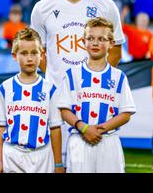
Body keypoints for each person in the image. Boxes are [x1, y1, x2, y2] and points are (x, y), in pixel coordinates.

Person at [30, 0, 125, 164]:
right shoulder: (41, 8)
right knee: (57, 166)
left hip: (94, 101)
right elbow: (38, 53)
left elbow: (116, 51)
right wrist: (57, 83)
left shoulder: (106, 6)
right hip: (56, 102)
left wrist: (96, 84)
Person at [57, 17, 136, 173]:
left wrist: (99, 130)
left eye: (101, 39)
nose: (95, 43)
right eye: (91, 38)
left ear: (111, 43)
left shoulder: (118, 76)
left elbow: (126, 113)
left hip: (108, 140)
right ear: (83, 42)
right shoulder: (72, 75)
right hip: (79, 139)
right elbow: (64, 109)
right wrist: (85, 128)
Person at [0, 27, 63, 173]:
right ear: (14, 55)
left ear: (42, 54)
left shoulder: (50, 89)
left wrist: (58, 164)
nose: (29, 58)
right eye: (23, 53)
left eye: (34, 53)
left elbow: (55, 128)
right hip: (11, 154)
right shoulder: (5, 88)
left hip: (42, 156)